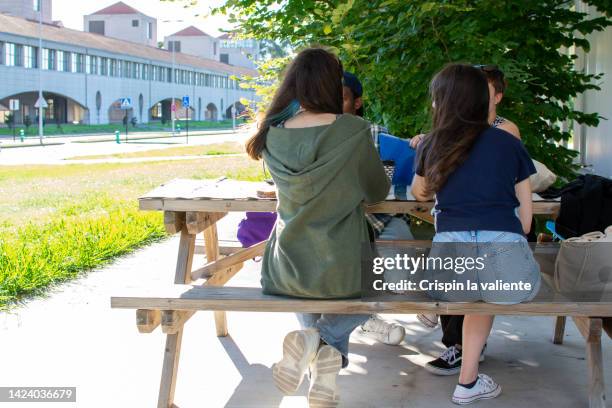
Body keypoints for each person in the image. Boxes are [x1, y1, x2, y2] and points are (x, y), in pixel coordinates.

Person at [246, 48, 389, 408]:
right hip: (343, 267)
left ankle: (321, 369)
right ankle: (318, 339)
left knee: (311, 296)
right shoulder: (354, 130)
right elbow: (377, 191)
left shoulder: (272, 135)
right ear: (331, 84)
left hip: (286, 266)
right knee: (380, 289)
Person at [411, 63, 540, 404]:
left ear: (445, 101)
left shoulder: (432, 144)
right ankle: (467, 382)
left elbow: (419, 194)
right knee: (487, 290)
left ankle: (467, 380)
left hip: (449, 280)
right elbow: (526, 221)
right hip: (509, 281)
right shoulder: (509, 142)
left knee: (471, 289)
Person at [342, 71, 410, 346]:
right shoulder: (313, 135)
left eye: (342, 98)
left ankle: (363, 318)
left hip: (378, 218)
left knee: (402, 279)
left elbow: (380, 188)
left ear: (357, 103)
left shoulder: (378, 136)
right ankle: (363, 320)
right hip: (339, 222)